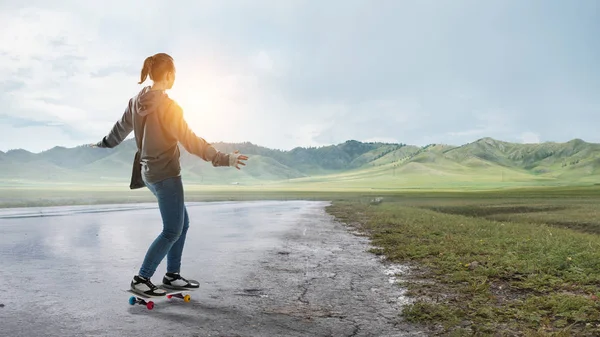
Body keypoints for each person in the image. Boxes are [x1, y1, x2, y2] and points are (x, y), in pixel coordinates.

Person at [91, 52, 248, 297]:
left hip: (148, 174)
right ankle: (142, 278)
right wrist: (223, 158)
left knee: (181, 225)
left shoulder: (135, 101)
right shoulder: (168, 107)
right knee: (172, 230)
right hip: (167, 176)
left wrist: (101, 143)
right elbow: (191, 141)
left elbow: (118, 132)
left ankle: (172, 275)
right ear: (169, 75)